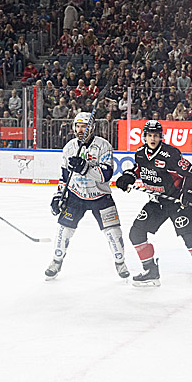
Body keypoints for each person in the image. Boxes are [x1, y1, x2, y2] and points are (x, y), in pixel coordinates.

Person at [115, 120, 192, 294]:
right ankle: (151, 271)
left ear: (161, 136)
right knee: (136, 233)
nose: (153, 139)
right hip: (156, 202)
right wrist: (128, 177)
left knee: (189, 236)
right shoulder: (140, 154)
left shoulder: (170, 154)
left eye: (156, 135)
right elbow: (138, 169)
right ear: (145, 137)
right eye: (149, 135)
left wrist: (187, 193)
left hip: (176, 203)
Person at [44, 112, 127, 280]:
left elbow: (106, 175)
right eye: (78, 126)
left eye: (84, 126)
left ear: (92, 128)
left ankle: (120, 262)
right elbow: (64, 176)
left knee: (113, 232)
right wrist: (58, 195)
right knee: (63, 230)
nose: (80, 130)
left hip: (100, 196)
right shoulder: (69, 147)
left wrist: (85, 168)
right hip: (76, 195)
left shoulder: (104, 146)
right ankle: (56, 261)